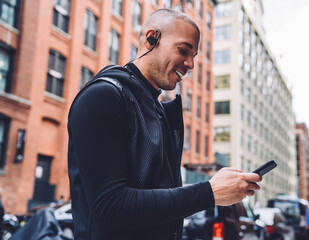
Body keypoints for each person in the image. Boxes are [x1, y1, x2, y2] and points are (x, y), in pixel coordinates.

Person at [67, 9, 261, 240]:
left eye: (194, 55)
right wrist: (209, 192)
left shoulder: (157, 109)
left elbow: (159, 202)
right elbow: (110, 207)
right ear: (152, 39)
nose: (190, 64)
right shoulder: (104, 96)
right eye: (183, 50)